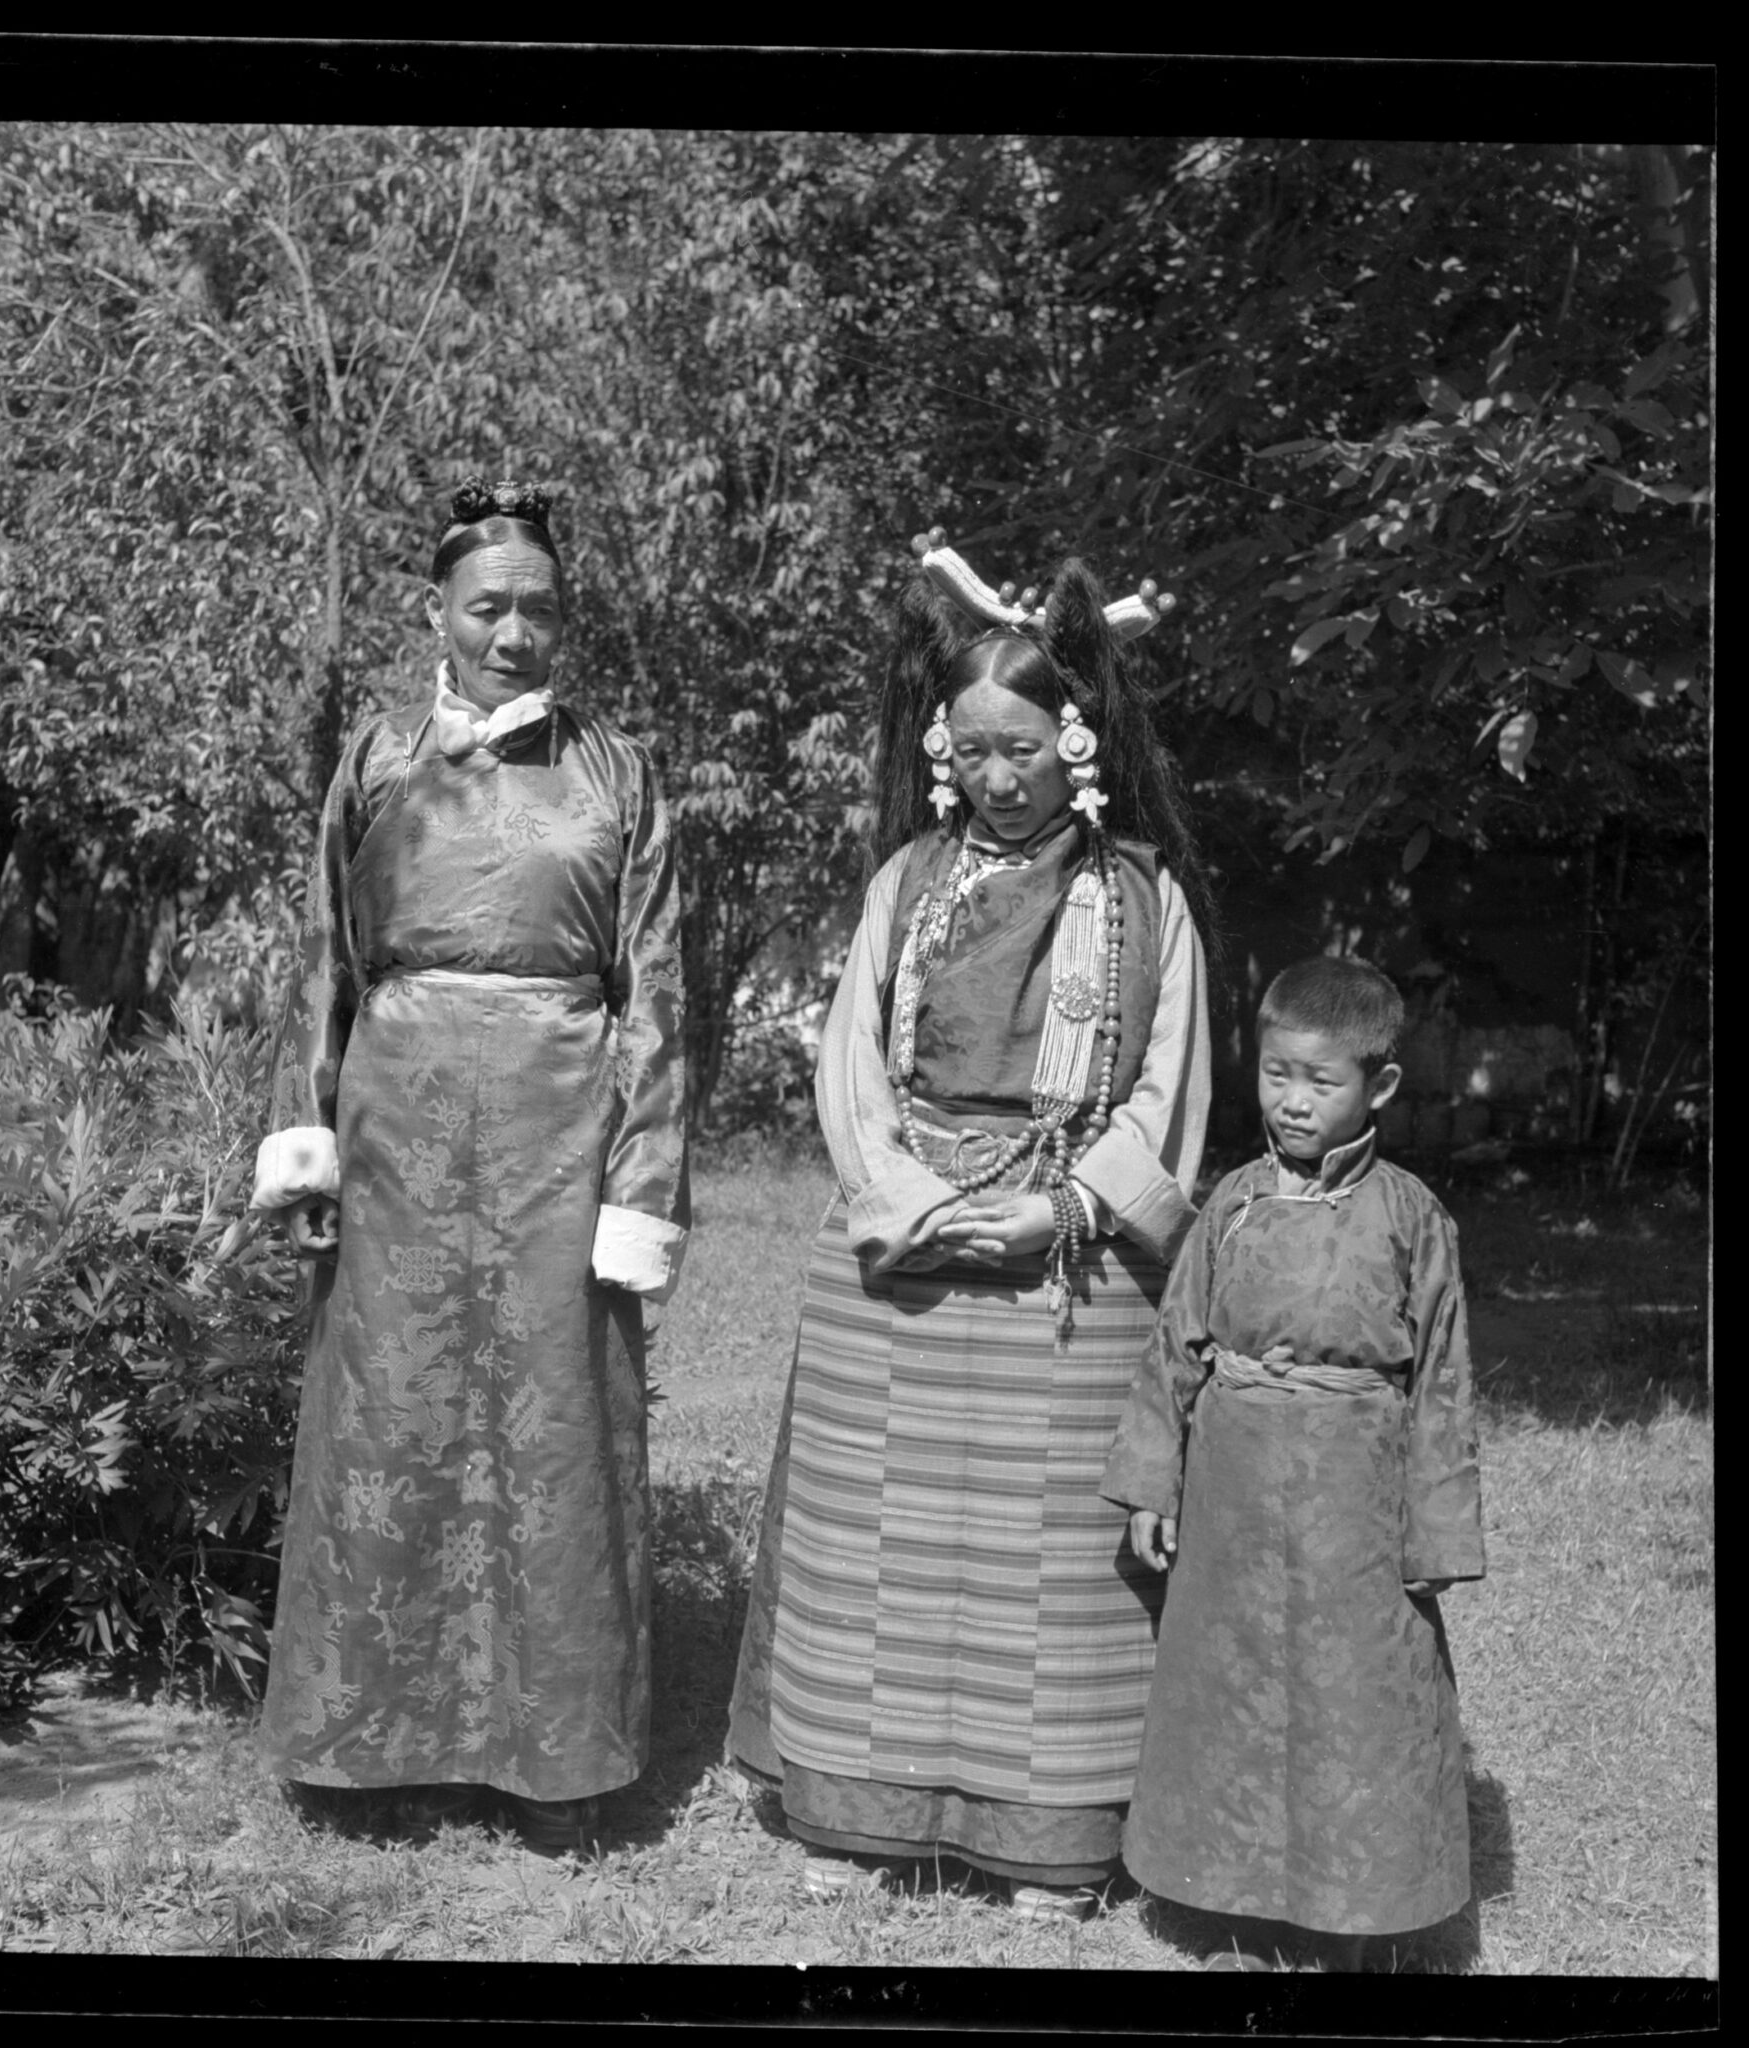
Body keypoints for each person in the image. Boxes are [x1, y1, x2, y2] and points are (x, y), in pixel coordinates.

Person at [725, 530, 1216, 1921]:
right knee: (867, 1549)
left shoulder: (1140, 902)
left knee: (1051, 1571)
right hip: (902, 1256)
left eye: (1024, 749)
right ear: (945, 751)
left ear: (1076, 742)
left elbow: (1167, 1087)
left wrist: (1056, 1211)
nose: (1000, 778)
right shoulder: (905, 887)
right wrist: (917, 1206)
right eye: (975, 751)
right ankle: (852, 1809)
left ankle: (1046, 1838)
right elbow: (849, 1071)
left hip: (1069, 1263)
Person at [227, 476, 690, 1851]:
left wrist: (640, 1188)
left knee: (556, 1422)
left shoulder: (617, 771)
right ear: (436, 611)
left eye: (539, 609)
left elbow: (657, 996)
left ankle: (557, 1762)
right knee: (394, 1415)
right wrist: (304, 1154)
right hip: (398, 1132)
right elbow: (324, 961)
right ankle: (367, 1748)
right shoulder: (375, 758)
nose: (513, 632)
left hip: (562, 1128)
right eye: (488, 606)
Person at [1101, 956, 1484, 1970]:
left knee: (1352, 1696)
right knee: (1228, 1690)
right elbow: (1173, 1343)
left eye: (1321, 1080)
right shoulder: (1228, 1200)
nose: (1293, 1100)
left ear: (1379, 1087)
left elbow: (1442, 1379)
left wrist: (1433, 1530)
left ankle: (1354, 1910)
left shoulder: (1410, 1217)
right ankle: (1225, 1898)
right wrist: (1150, 1474)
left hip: (1351, 1506)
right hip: (1229, 1486)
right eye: (1277, 1074)